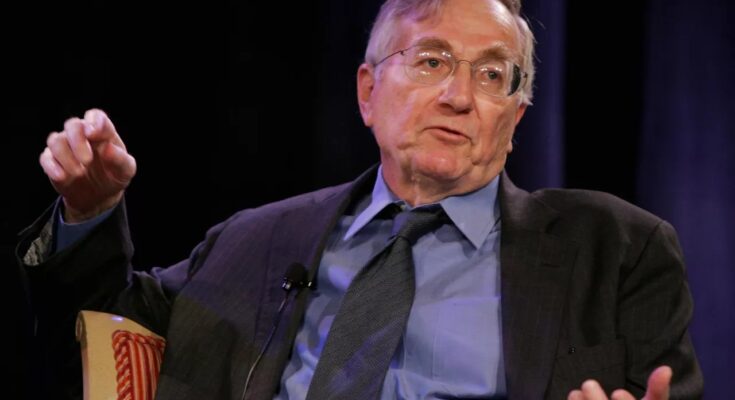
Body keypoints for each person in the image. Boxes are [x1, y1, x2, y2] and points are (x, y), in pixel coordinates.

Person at [19, 0, 703, 399]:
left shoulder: (615, 250)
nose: (459, 96)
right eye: (431, 61)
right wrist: (90, 213)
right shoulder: (256, 240)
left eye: (492, 75)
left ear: (515, 119)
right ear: (368, 92)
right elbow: (97, 330)